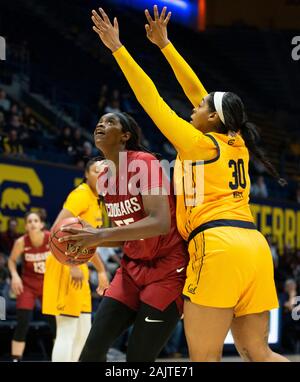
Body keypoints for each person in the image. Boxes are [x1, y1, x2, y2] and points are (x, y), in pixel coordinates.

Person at [90, 6, 289, 362]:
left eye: (200, 106)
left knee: (203, 357)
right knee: (258, 352)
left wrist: (118, 49)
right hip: (255, 248)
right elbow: (197, 89)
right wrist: (166, 47)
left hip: (217, 246)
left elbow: (150, 99)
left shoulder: (197, 143)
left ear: (212, 117)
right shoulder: (237, 140)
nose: (192, 104)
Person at [59, 111, 188, 361]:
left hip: (168, 270)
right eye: (100, 121)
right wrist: (87, 238)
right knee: (91, 351)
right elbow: (128, 232)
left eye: (110, 122)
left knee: (137, 360)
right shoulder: (106, 177)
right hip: (130, 269)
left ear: (125, 136)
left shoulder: (145, 162)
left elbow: (160, 223)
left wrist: (99, 234)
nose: (101, 124)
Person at [42, 159, 109, 362]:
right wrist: (71, 264)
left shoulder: (95, 200)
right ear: (87, 174)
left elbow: (89, 243)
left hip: (78, 264)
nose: (101, 175)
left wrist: (101, 270)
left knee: (83, 332)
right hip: (66, 264)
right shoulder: (80, 195)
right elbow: (57, 230)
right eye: (97, 171)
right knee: (67, 330)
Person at [8, 211, 54, 362]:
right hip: (27, 284)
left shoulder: (50, 238)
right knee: (23, 323)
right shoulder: (21, 242)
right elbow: (12, 261)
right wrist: (15, 276)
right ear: (26, 226)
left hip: (47, 284)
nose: (33, 223)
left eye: (36, 220)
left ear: (41, 224)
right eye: (29, 221)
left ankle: (60, 356)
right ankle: (16, 358)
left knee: (54, 322)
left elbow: (62, 257)